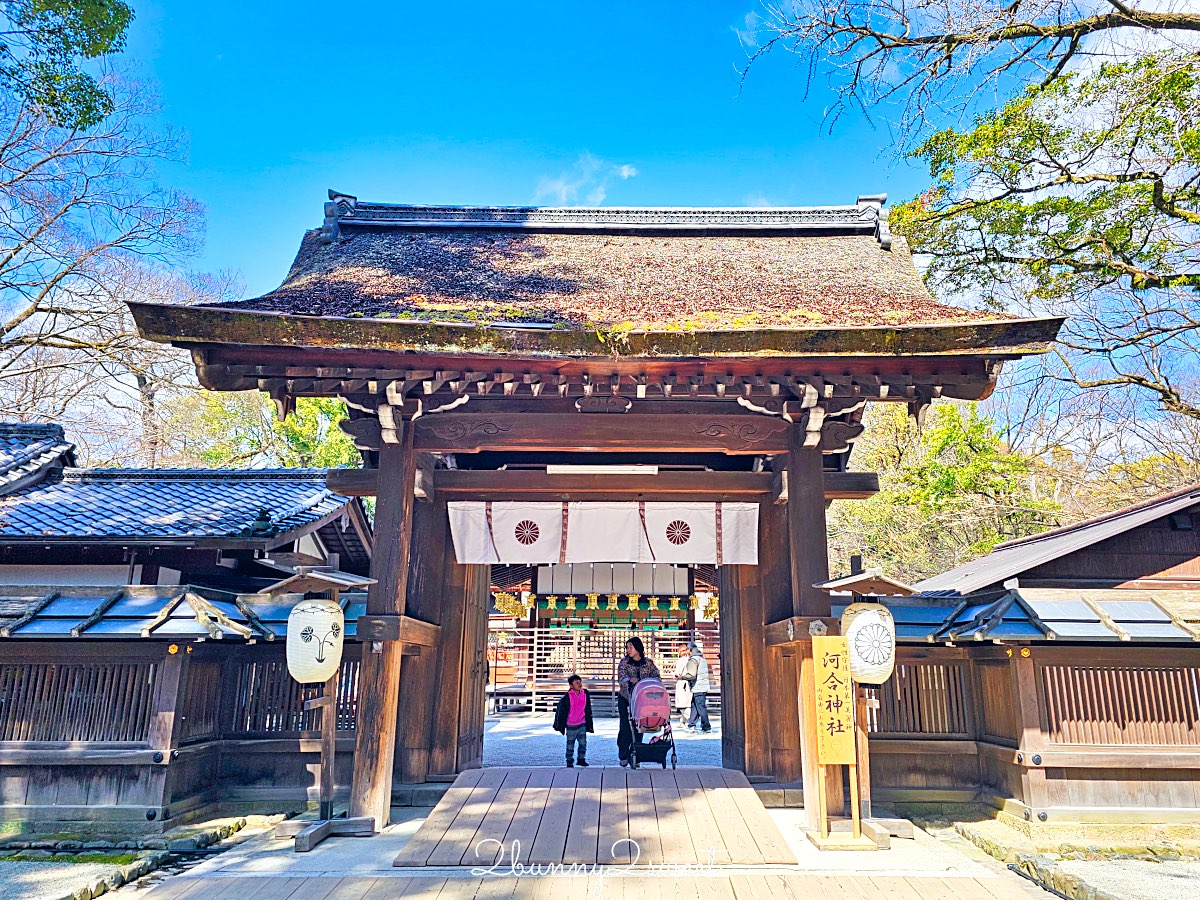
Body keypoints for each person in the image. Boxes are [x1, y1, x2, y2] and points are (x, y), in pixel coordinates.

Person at [616, 636, 660, 768]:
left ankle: (636, 754)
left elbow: (657, 676)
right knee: (625, 727)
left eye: (631, 647)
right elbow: (621, 678)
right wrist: (629, 680)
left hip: (643, 701)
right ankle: (623, 754)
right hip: (626, 699)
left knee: (639, 728)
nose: (628, 650)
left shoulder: (648, 663)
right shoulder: (624, 662)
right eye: (627, 647)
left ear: (638, 648)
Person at [552, 674, 593, 767]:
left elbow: (587, 708)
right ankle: (569, 760)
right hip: (571, 724)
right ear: (571, 686)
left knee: (583, 743)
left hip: (582, 722)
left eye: (580, 682)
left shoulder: (585, 693)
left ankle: (581, 759)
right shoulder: (567, 698)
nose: (579, 684)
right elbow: (561, 712)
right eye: (576, 682)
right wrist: (559, 725)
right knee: (570, 744)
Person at [684, 640, 713, 733]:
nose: (686, 652)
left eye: (686, 650)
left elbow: (691, 674)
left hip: (698, 686)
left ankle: (706, 727)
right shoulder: (701, 659)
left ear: (689, 650)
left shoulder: (693, 660)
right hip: (702, 686)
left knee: (700, 707)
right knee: (695, 706)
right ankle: (691, 724)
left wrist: (682, 677)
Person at [672, 647, 693, 724]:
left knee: (682, 703)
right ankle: (683, 720)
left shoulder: (681, 660)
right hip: (690, 682)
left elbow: (678, 673)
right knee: (688, 703)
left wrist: (673, 674)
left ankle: (688, 721)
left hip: (682, 683)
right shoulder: (690, 659)